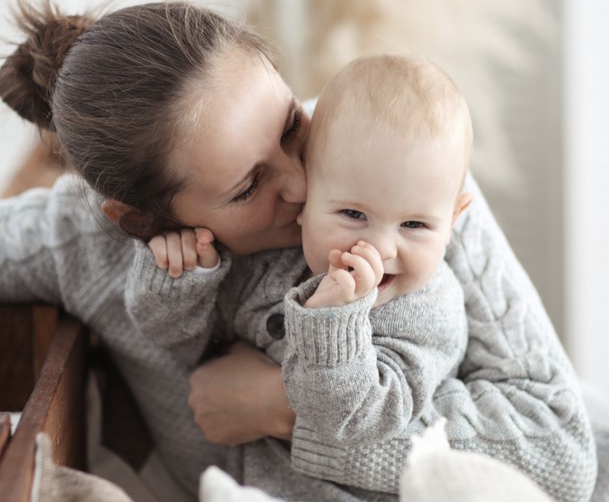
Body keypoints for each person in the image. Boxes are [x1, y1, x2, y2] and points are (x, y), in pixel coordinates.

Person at [0, 0, 609, 502]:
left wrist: (285, 407)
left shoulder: (383, 151)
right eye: (249, 184)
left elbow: (559, 453)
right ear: (139, 219)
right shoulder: (81, 245)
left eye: (291, 123)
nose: (303, 176)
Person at [126, 52, 474, 450]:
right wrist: (186, 277)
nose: (379, 248)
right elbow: (186, 349)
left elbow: (359, 423)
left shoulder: (429, 312)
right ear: (306, 200)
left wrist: (330, 324)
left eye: (414, 225)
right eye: (353, 213)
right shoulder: (269, 262)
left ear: (454, 218)